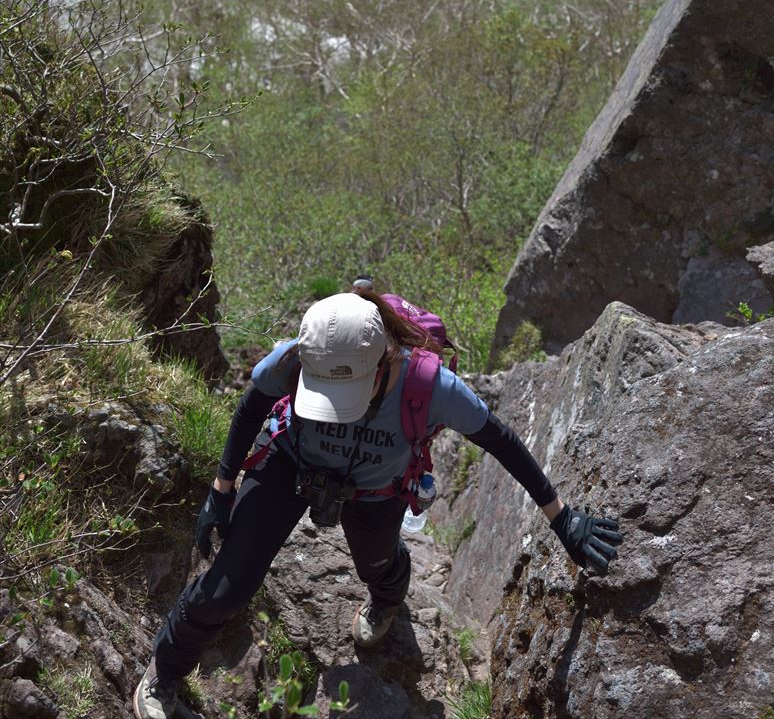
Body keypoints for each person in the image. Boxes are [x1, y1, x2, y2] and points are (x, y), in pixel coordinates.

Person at [133, 284, 623, 719]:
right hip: (290, 463)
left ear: (384, 357)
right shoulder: (296, 356)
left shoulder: (431, 388)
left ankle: (387, 596)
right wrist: (221, 489)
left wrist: (561, 518)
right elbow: (250, 408)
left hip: (376, 490)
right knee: (227, 586)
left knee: (378, 564)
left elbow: (503, 442)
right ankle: (165, 672)